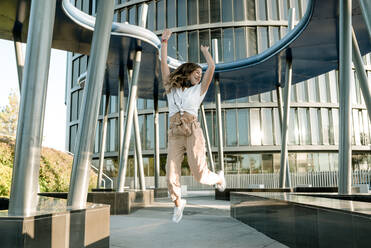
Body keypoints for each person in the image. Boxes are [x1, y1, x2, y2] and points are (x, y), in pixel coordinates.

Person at [160, 29, 226, 224]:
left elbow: (212, 68)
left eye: (200, 74)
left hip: (192, 131)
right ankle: (178, 203)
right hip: (175, 133)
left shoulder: (199, 90)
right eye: (196, 73)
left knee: (199, 175)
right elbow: (163, 64)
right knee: (171, 173)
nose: (199, 76)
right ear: (187, 72)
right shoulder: (170, 87)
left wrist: (205, 52)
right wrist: (164, 42)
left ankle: (218, 179)